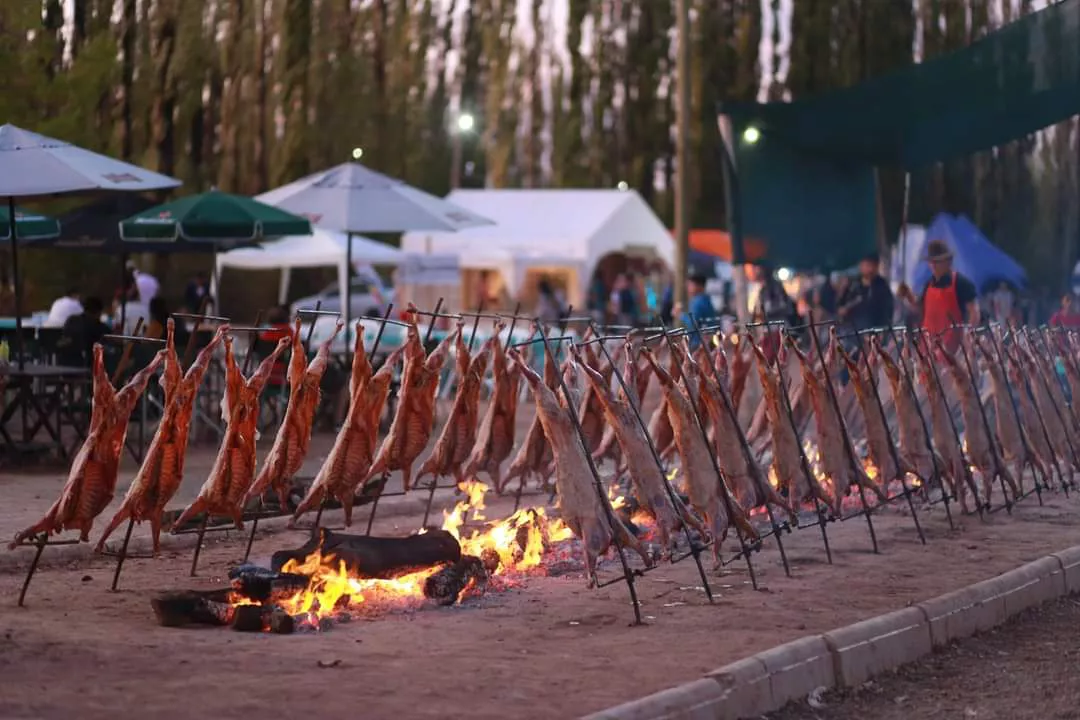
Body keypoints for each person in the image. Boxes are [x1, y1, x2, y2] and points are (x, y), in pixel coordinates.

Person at [897, 239, 979, 354]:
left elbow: (974, 312)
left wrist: (968, 334)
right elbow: (920, 309)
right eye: (932, 262)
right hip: (927, 347)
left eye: (938, 262)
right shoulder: (928, 284)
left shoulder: (961, 283)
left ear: (948, 261)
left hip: (951, 350)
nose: (934, 265)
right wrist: (908, 295)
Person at [838, 254, 894, 332]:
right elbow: (840, 305)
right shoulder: (852, 284)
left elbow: (888, 310)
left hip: (875, 329)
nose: (870, 269)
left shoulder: (882, 285)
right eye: (867, 265)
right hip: (853, 329)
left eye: (873, 265)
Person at [57, 297, 109, 366]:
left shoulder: (71, 320)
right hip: (86, 365)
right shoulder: (98, 326)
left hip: (64, 363)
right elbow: (112, 339)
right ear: (98, 312)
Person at [682, 273, 717, 349]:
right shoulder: (707, 300)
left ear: (699, 286)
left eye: (691, 285)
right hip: (709, 342)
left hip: (698, 343)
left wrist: (680, 315)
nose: (688, 288)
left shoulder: (698, 302)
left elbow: (693, 324)